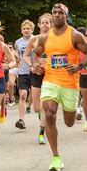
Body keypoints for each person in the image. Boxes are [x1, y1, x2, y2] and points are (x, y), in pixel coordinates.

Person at [31, 3, 87, 171]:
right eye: (54, 13)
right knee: (49, 113)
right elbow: (35, 54)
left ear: (66, 16)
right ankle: (55, 156)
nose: (57, 15)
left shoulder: (75, 35)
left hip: (70, 84)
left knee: (69, 122)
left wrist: (79, 66)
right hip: (50, 80)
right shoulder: (45, 37)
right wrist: (36, 65)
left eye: (60, 13)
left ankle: (76, 111)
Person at [24, 13, 52, 144]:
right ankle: (42, 117)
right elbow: (25, 56)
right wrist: (32, 66)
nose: (45, 24)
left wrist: (48, 67)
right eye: (43, 22)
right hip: (35, 73)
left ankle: (42, 132)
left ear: (51, 24)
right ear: (39, 25)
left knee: (45, 105)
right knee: (36, 108)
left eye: (48, 22)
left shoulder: (54, 39)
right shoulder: (34, 40)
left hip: (49, 75)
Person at [14, 20, 35, 130]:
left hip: (35, 70)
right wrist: (16, 56)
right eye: (24, 28)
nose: (26, 30)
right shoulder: (18, 42)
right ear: (21, 30)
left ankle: (42, 113)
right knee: (22, 94)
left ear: (32, 30)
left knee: (36, 95)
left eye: (28, 28)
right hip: (23, 71)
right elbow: (17, 54)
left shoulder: (37, 40)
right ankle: (21, 120)